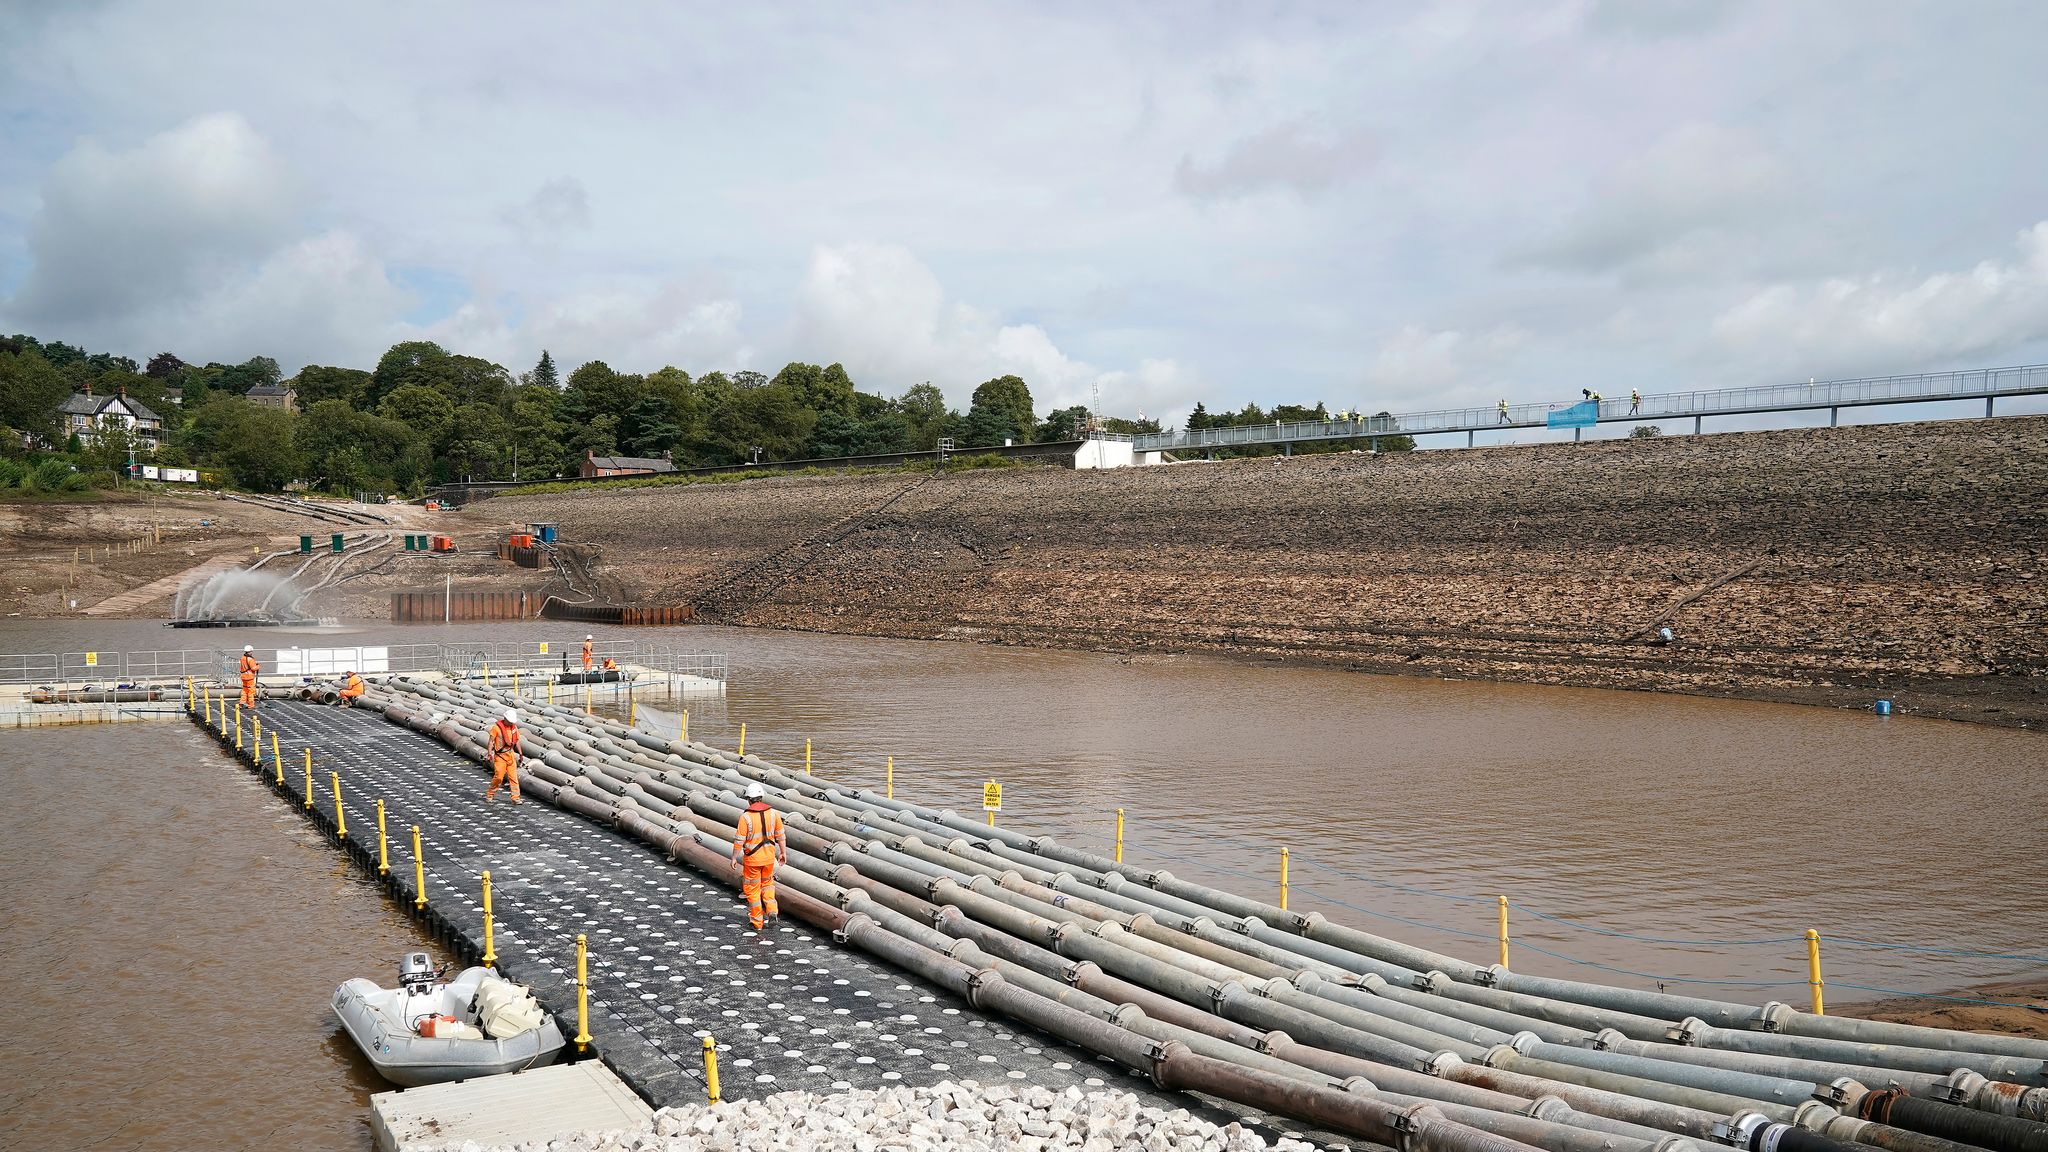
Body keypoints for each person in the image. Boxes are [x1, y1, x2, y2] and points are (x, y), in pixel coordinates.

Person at [730, 782, 786, 930]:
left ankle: (757, 921)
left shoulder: (746, 817)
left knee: (752, 889)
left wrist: (734, 857)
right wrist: (783, 853)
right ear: (761, 797)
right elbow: (781, 835)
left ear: (749, 799)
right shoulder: (774, 813)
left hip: (753, 861)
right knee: (767, 885)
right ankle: (772, 911)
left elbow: (739, 841)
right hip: (769, 858)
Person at [487, 707, 522, 804]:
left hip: (510, 756)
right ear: (505, 719)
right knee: (499, 777)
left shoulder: (514, 728)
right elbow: (491, 742)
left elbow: (517, 741)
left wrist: (520, 753)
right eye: (509, 721)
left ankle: (515, 798)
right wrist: (489, 753)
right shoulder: (496, 728)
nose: (511, 723)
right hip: (500, 757)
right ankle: (490, 794)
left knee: (513, 778)